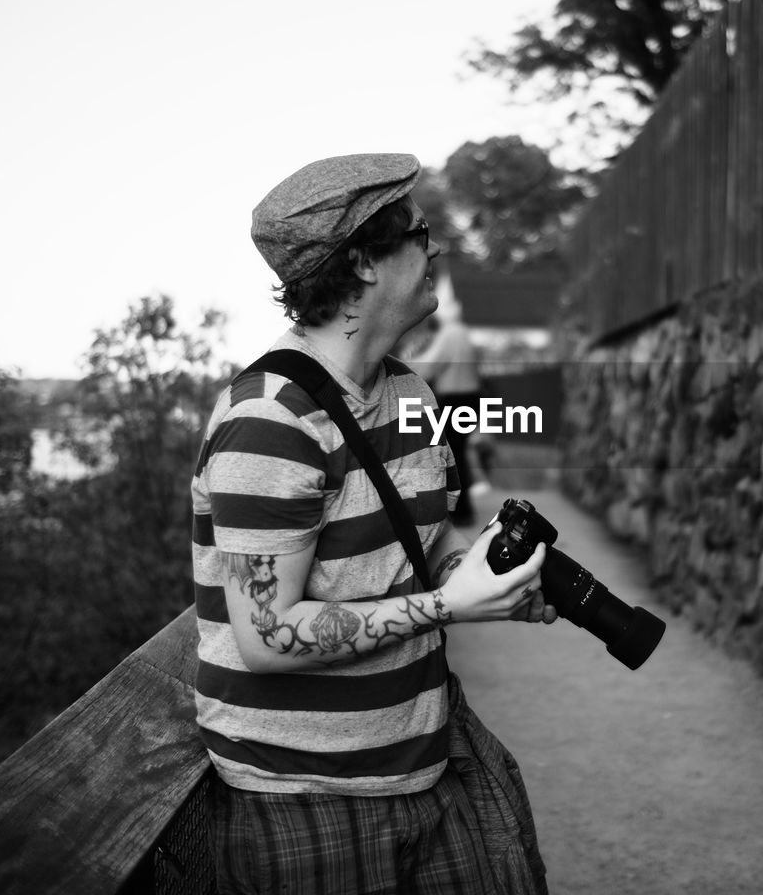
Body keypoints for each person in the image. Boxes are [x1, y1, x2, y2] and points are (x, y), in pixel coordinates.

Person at [191, 154, 555, 894]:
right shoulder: (270, 419)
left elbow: (431, 550)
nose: (436, 251)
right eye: (421, 235)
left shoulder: (412, 393)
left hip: (429, 762)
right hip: (304, 797)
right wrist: (451, 607)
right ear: (362, 262)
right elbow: (266, 637)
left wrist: (492, 578)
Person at [411, 298, 484, 524]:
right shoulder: (463, 334)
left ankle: (460, 511)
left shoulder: (449, 335)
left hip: (455, 400)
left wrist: (403, 364)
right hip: (470, 398)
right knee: (459, 453)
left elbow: (429, 366)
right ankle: (463, 509)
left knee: (452, 455)